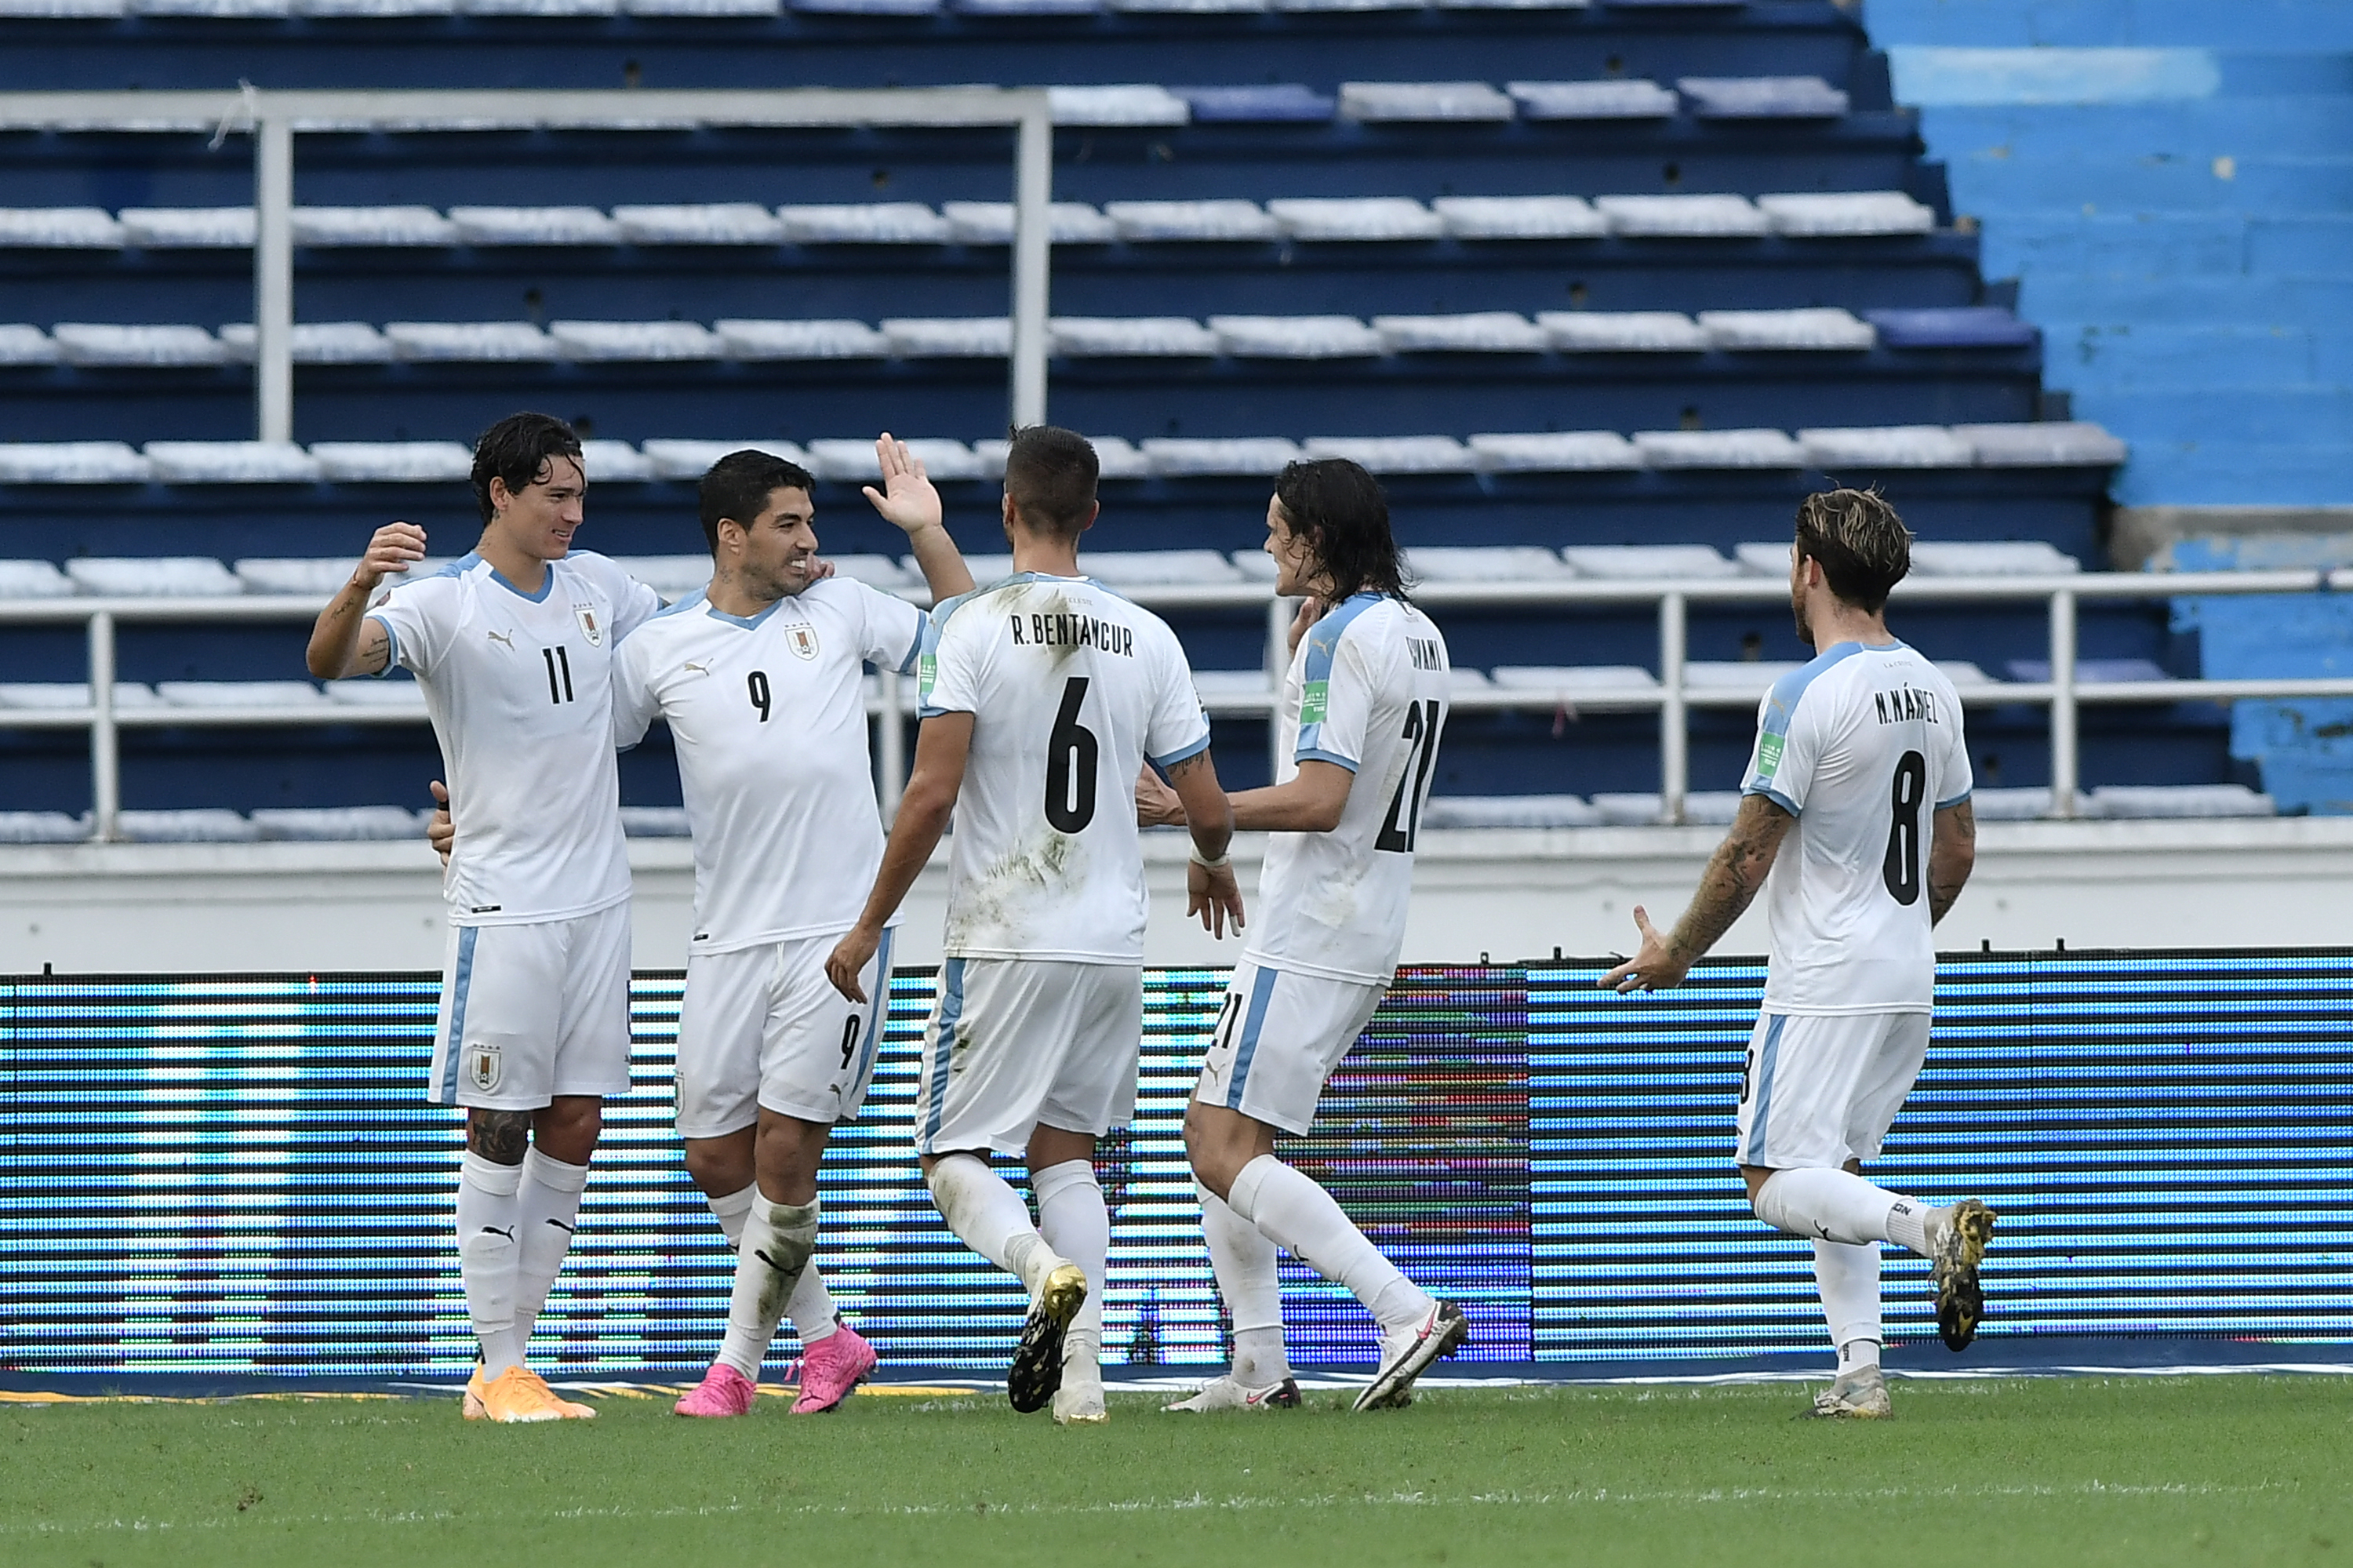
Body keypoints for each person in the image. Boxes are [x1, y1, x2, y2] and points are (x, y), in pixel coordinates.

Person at [824, 424, 1245, 1426]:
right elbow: (1214, 810)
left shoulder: (969, 629)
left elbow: (930, 797)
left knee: (951, 1157)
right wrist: (1208, 854)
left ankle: (1037, 1265)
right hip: (1111, 942)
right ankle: (1085, 1385)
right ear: (1094, 516)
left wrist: (867, 926)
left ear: (1007, 510)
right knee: (1067, 1155)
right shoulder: (1151, 636)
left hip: (1007, 932)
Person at [1601, 487, 1992, 1421]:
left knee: (1772, 1180)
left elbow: (1747, 850)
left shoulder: (1803, 692)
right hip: (1907, 975)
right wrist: (1899, 932)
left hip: (1824, 975)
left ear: (1808, 570)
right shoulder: (1936, 686)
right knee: (1833, 1176)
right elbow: (1959, 847)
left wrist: (1678, 952)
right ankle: (1860, 1373)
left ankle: (1929, 1228)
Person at [307, 413, 663, 1424]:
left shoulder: (601, 586)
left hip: (601, 899)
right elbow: (332, 659)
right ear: (500, 493)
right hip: (505, 903)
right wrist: (360, 580)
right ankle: (494, 1360)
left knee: (579, 1122)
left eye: (580, 493)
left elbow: (685, 635)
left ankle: (517, 1363)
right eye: (554, 493)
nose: (572, 512)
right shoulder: (445, 603)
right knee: (497, 1123)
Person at [609, 438, 974, 1417]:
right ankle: (828, 1338)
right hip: (725, 936)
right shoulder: (658, 649)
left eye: (812, 521)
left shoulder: (843, 609)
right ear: (732, 537)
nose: (811, 540)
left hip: (835, 932)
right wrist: (469, 817)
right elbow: (566, 750)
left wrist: (926, 529)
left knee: (784, 1152)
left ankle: (732, 1368)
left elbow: (971, 636)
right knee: (713, 1153)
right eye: (789, 523)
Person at [1152, 458, 1467, 1416]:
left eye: (1277, 526)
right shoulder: (1419, 630)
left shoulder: (1338, 638)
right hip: (1368, 920)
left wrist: (1194, 809)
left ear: (1317, 539)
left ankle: (1401, 1308)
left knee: (1215, 1141)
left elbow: (1324, 798)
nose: (1266, 542)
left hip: (1312, 926)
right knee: (1224, 1127)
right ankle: (1258, 1367)